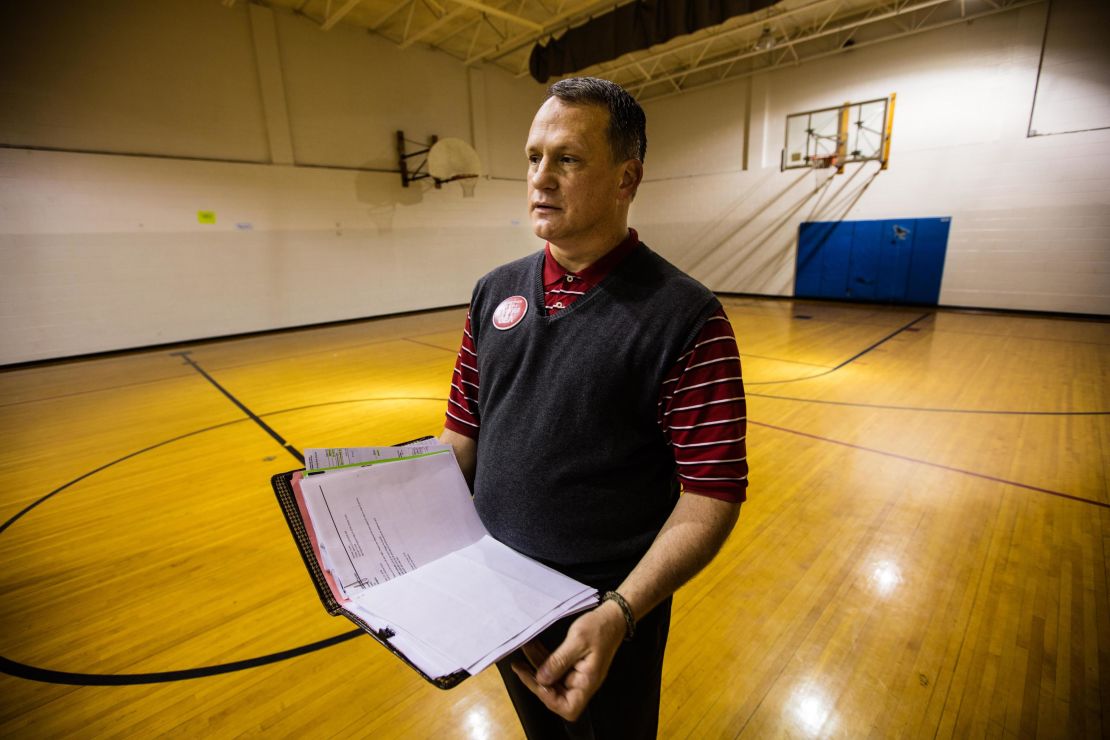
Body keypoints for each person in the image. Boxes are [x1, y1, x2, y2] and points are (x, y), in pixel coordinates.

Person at [440, 76, 748, 739]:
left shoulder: (686, 317)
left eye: (568, 159)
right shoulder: (493, 292)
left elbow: (712, 495)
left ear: (626, 178)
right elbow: (461, 437)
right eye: (532, 157)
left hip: (604, 613)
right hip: (499, 597)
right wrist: (376, 509)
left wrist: (622, 612)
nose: (540, 178)